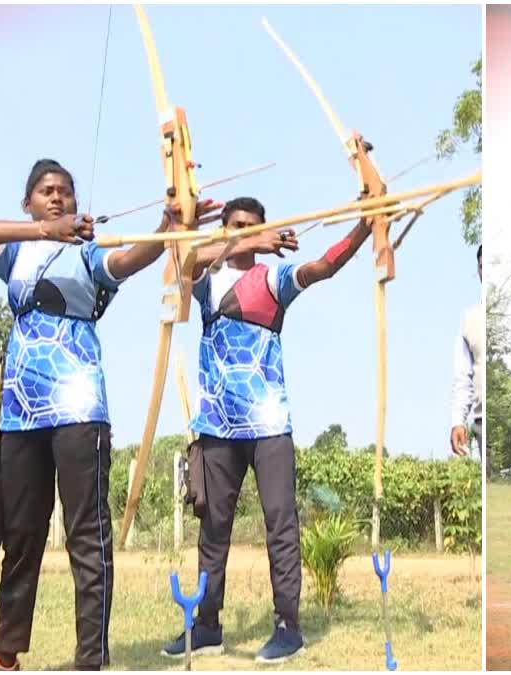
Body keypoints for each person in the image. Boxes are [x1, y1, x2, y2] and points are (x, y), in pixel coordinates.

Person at [0, 159, 219, 671]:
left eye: (66, 193)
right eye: (46, 191)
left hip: (79, 405)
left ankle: (90, 660)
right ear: (28, 202)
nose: (58, 198)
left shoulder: (87, 253)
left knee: (86, 533)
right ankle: (4, 652)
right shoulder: (15, 252)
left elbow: (128, 261)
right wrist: (42, 231)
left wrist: (170, 227)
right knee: (22, 531)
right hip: (21, 411)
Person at [158, 197, 373, 663]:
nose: (246, 232)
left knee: (280, 525)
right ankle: (208, 626)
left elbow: (324, 266)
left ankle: (287, 627)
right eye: (236, 225)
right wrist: (220, 230)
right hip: (217, 425)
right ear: (223, 227)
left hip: (270, 424)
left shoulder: (273, 278)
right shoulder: (208, 279)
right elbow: (183, 259)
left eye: (254, 226)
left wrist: (364, 225)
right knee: (213, 529)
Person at [450, 245, 484, 457]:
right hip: (481, 424)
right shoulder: (469, 318)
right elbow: (463, 377)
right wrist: (457, 421)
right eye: (482, 267)